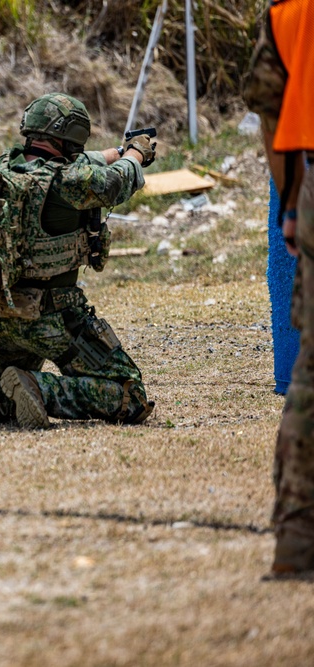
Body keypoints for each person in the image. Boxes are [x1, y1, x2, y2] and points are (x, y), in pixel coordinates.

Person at [0, 93, 156, 430]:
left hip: (1, 315)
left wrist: (114, 152)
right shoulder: (70, 181)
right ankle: (41, 389)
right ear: (71, 134)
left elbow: (79, 165)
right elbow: (116, 182)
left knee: (9, 384)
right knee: (129, 394)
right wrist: (135, 154)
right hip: (55, 318)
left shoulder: (4, 170)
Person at [243, 0, 314, 578]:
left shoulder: (289, 11)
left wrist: (290, 198)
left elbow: (269, 104)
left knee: (307, 376)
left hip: (307, 172)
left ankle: (296, 539)